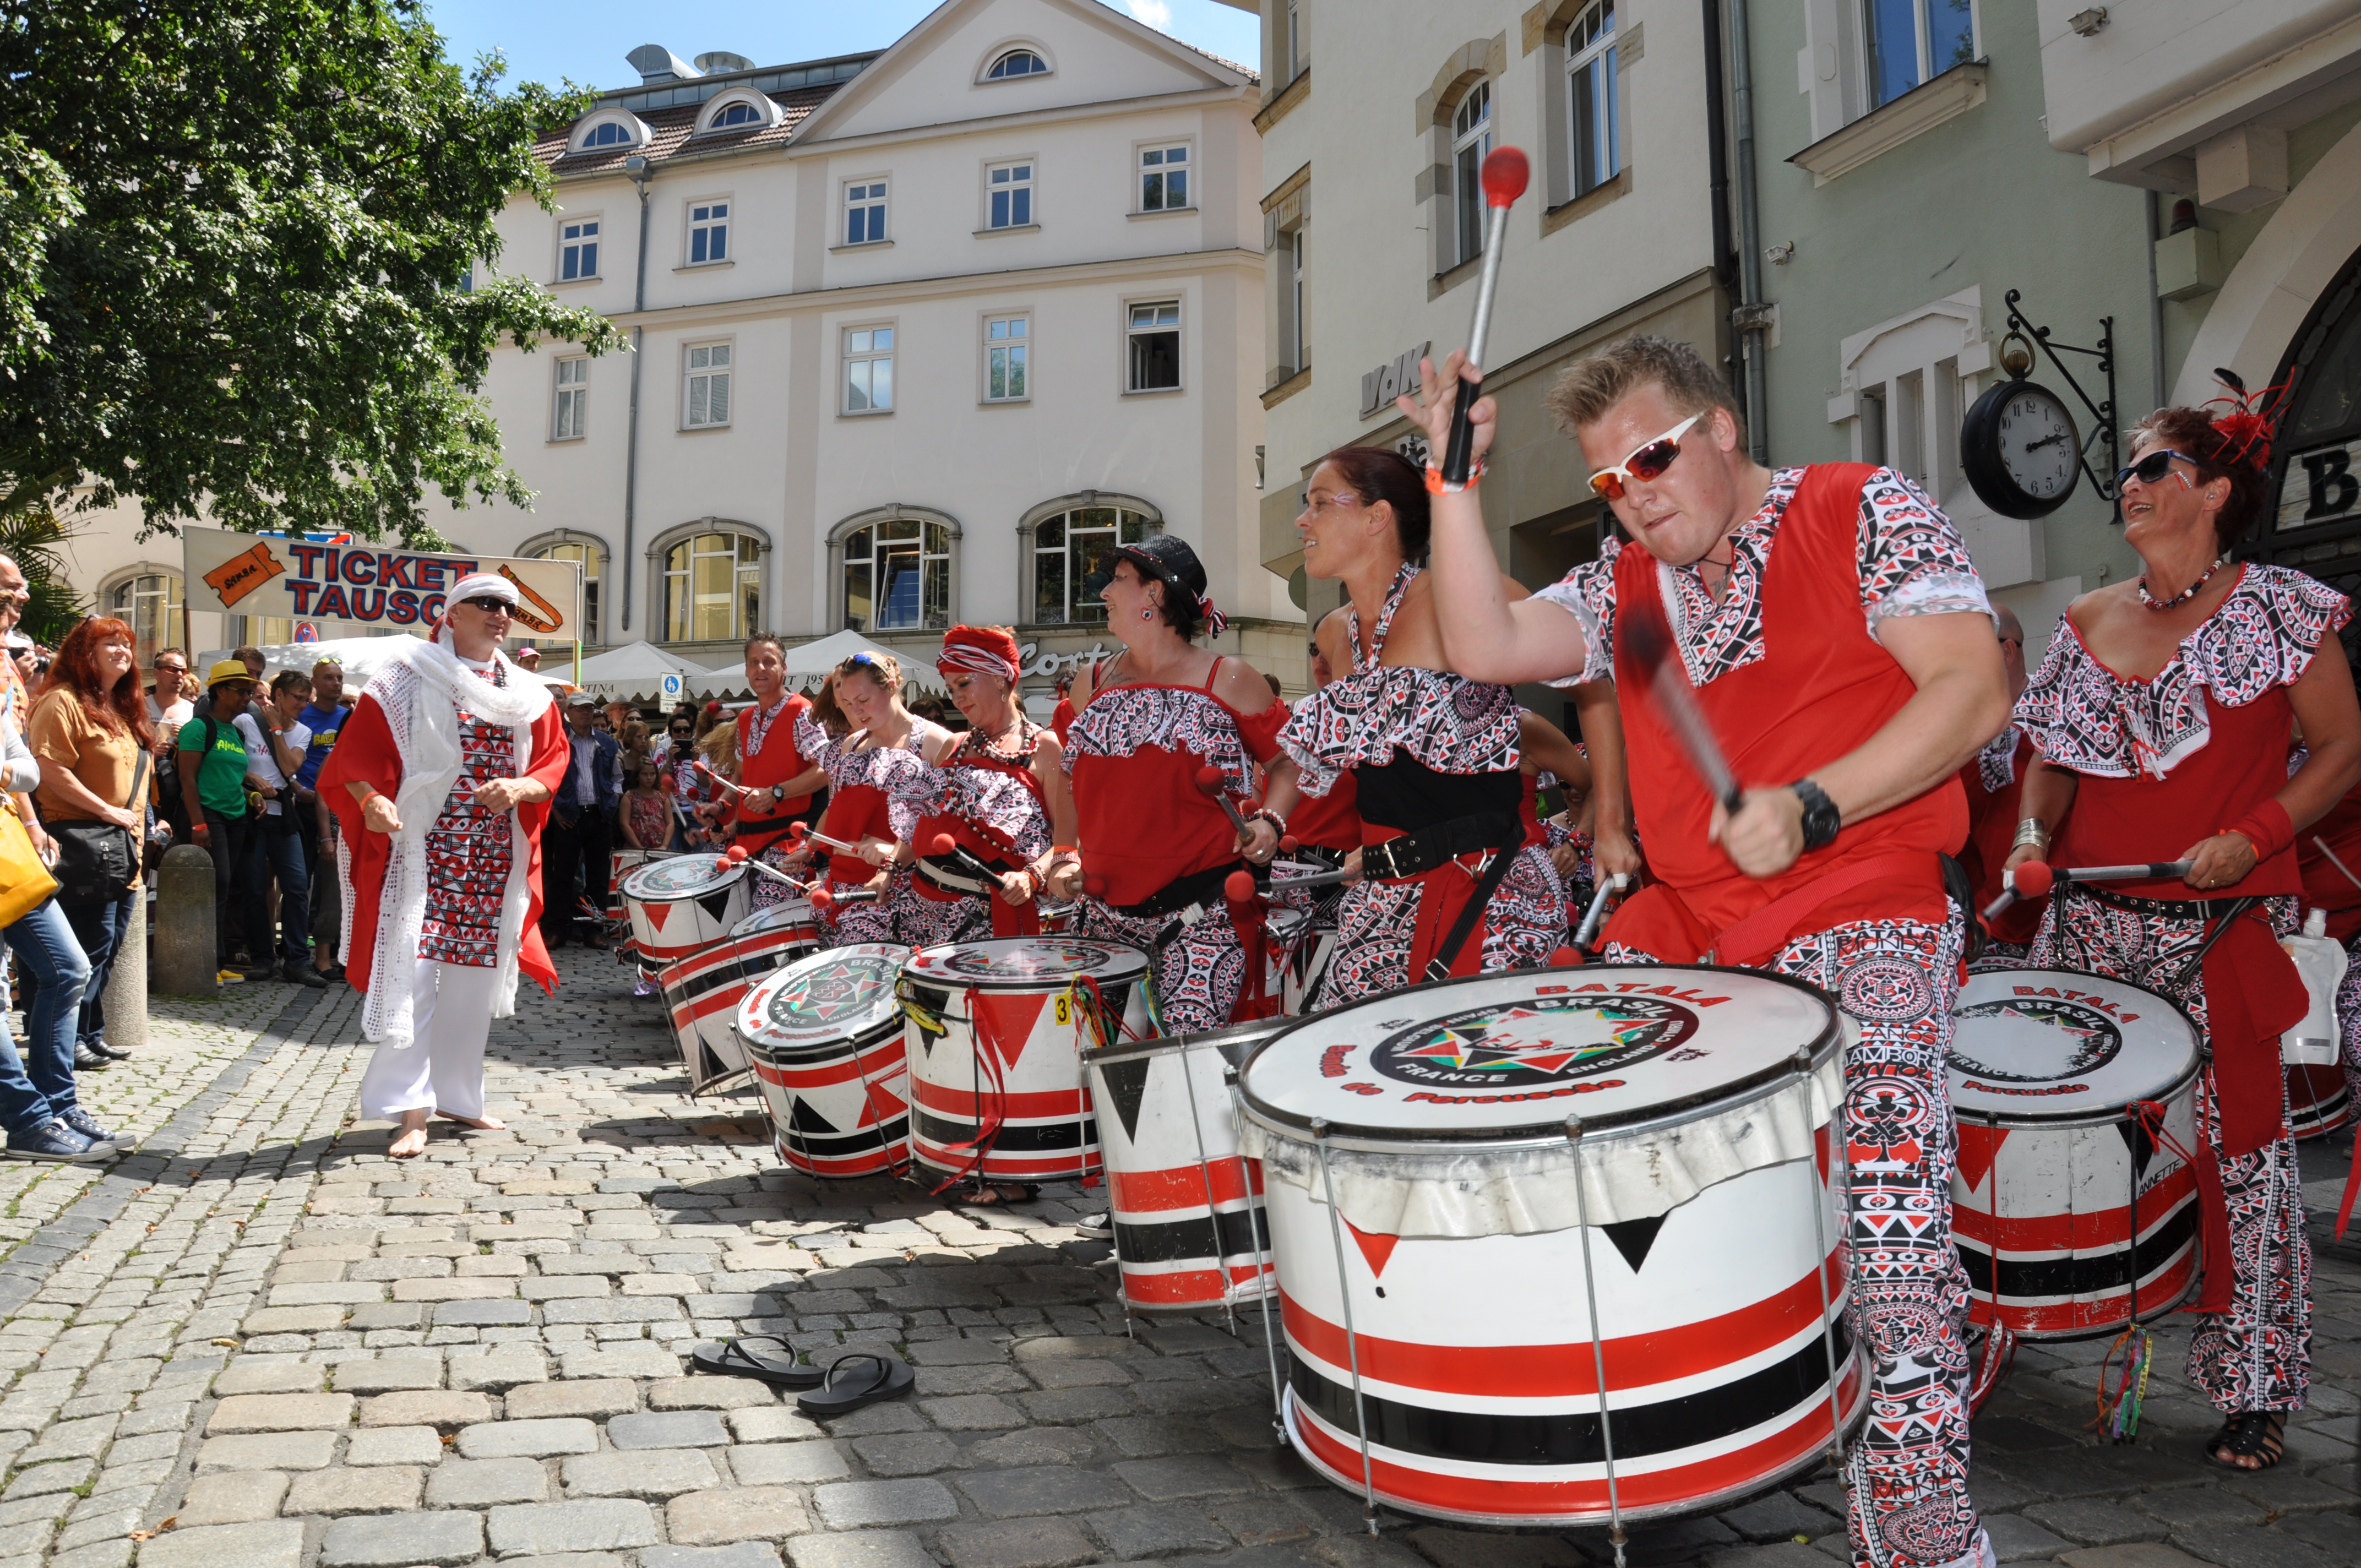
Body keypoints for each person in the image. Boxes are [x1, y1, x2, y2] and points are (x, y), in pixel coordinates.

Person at [1417, 335, 2009, 1568]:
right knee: (1557, 1145)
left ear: (1720, 428)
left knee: (1890, 1226)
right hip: (1691, 928)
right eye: (1606, 480)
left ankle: (1925, 1541)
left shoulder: (1863, 510)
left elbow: (1965, 689)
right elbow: (1480, 643)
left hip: (1868, 896)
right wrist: (1450, 488)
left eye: (1649, 455)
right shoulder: (1622, 578)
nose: (1632, 491)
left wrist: (1816, 801)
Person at [2007, 395, 2361, 1475]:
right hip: (2087, 930)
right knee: (2045, 1145)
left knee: (2242, 1164)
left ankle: (2251, 1387)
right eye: (2126, 468)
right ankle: (2001, 1336)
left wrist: (2252, 832)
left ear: (2212, 491)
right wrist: (2027, 833)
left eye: (2155, 465)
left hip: (2215, 928)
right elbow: (2049, 761)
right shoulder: (2079, 622)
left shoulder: (2281, 609)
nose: (2131, 482)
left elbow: (2341, 752)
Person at [1254, 449, 1563, 1003]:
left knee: (1479, 1074)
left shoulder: (1458, 598)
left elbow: (1594, 676)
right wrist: (1272, 823)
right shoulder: (1333, 632)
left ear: (1377, 518)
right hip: (1380, 894)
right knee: (1342, 1068)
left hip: (1487, 886)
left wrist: (1608, 822)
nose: (1303, 520)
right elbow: (1336, 762)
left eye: (1321, 504)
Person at [322, 573, 569, 1159]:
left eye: (508, 606)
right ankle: (412, 1110)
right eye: (486, 603)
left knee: (471, 984)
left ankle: (461, 1096)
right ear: (452, 613)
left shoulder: (529, 693)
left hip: (491, 858)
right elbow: (353, 758)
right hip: (423, 854)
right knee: (415, 979)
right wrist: (370, 800)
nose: (500, 614)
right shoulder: (406, 677)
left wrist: (519, 784)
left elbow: (554, 763)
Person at [1049, 539, 1282, 1030]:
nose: (1105, 591)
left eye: (1118, 579)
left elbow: (1289, 763)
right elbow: (1068, 779)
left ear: (1154, 594)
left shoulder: (1229, 678)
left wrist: (1271, 823)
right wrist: (1066, 854)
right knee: (1096, 1079)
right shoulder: (1089, 683)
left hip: (1202, 915)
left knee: (1182, 1079)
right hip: (1102, 918)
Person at [870, 626, 1074, 948]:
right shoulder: (953, 744)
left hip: (988, 922)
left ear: (1000, 678)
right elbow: (922, 825)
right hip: (917, 910)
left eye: (964, 684)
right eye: (951, 689)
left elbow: (1068, 840)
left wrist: (1031, 876)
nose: (956, 698)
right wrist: (889, 870)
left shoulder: (1044, 747)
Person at [28, 617, 155, 1063]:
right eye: (110, 643)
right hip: (82, 840)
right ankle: (67, 1041)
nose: (123, 651)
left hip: (123, 846)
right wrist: (105, 810)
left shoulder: (119, 706)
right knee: (86, 945)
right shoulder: (61, 702)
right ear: (86, 652)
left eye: (127, 644)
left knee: (109, 944)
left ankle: (91, 1030)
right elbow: (47, 770)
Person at [788, 652, 946, 941]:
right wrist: (810, 847)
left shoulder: (934, 742)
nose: (857, 711)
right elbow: (838, 807)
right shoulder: (852, 743)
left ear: (890, 686)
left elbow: (943, 823)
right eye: (848, 704)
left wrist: (893, 854)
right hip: (839, 884)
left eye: (863, 700)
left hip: (894, 892)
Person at [1955, 604, 2039, 965]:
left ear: (2007, 650)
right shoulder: (1958, 735)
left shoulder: (2061, 720)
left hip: (2059, 924)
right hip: (1986, 925)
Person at [180, 660, 274, 981]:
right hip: (209, 814)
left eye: (250, 691)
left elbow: (233, 776)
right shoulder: (198, 728)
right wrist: (198, 823)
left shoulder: (234, 731)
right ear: (221, 691)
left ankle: (219, 962)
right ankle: (207, 963)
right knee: (215, 887)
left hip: (237, 815)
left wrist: (252, 796)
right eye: (241, 691)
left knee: (228, 886)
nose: (247, 697)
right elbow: (188, 779)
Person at [719, 637, 824, 910]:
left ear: (784, 668)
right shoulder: (744, 719)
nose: (760, 668)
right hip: (745, 844)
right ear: (746, 670)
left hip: (788, 842)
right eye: (754, 662)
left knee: (763, 924)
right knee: (739, 926)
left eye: (769, 661)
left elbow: (824, 770)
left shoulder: (803, 711)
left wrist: (777, 793)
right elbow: (742, 777)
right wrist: (720, 805)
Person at [236, 672, 325, 987]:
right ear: (278, 695)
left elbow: (289, 767)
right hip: (253, 814)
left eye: (306, 698)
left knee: (298, 887)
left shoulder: (301, 731)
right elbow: (231, 763)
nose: (303, 704)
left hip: (284, 817)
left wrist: (276, 729)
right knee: (256, 889)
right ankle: (263, 957)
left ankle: (297, 960)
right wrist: (252, 779)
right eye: (297, 697)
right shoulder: (246, 723)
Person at [543, 693, 621, 949]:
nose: (585, 713)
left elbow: (616, 778)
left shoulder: (607, 743)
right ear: (570, 712)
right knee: (562, 875)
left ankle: (592, 929)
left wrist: (612, 801)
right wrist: (555, 810)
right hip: (568, 816)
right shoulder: (558, 740)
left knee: (598, 877)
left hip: (599, 816)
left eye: (589, 708)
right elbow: (547, 777)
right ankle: (559, 928)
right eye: (580, 709)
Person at [296, 660, 351, 981]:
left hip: (340, 816)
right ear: (315, 682)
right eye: (329, 678)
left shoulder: (347, 718)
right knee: (305, 886)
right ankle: (311, 953)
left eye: (340, 678)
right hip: (310, 807)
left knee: (337, 891)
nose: (336, 683)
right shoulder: (304, 716)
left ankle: (336, 953)